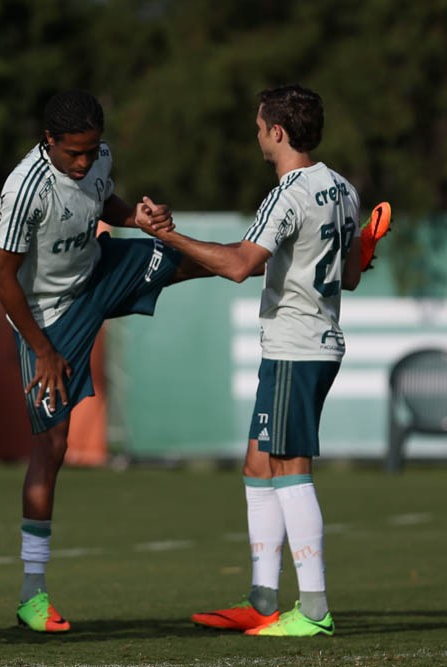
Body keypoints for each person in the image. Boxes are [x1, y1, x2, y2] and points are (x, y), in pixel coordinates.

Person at [136, 84, 384, 637]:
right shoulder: (342, 188)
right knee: (258, 464)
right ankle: (262, 600)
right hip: (311, 343)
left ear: (277, 131)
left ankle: (314, 610)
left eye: (257, 126)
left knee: (291, 469)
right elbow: (347, 275)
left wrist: (168, 235)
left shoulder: (288, 194)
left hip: (295, 347)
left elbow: (240, 265)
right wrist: (365, 251)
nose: (256, 134)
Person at [0, 89, 205, 633]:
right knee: (52, 446)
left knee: (186, 257)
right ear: (50, 142)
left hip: (99, 274)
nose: (84, 162)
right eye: (74, 153)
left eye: (92, 150)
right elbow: (0, 278)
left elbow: (106, 202)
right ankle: (32, 596)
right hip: (48, 318)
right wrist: (43, 349)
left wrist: (138, 215)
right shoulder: (25, 189)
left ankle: (262, 260)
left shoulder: (99, 160)